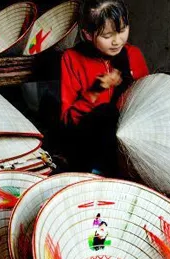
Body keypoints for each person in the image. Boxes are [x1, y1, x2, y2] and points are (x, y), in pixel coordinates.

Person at [60, 0, 149, 175]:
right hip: (89, 146)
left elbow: (147, 103)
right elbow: (67, 120)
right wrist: (95, 91)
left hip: (132, 145)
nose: (117, 41)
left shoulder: (133, 54)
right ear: (87, 34)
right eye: (107, 36)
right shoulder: (71, 58)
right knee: (107, 113)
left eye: (122, 31)